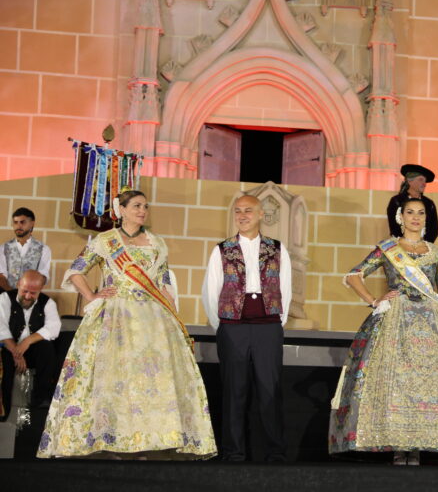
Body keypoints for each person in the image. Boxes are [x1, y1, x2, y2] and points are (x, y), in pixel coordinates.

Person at [38, 190, 216, 459]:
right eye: (135, 206)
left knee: (151, 379)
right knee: (113, 379)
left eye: (145, 206)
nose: (142, 210)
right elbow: (76, 271)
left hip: (152, 319)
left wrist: (175, 319)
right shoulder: (105, 241)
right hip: (114, 318)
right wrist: (92, 296)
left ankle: (150, 440)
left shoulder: (156, 242)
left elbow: (164, 283)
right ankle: (110, 440)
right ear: (120, 210)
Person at [330, 198, 438, 465]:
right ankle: (396, 445)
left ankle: (417, 448)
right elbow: (355, 275)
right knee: (396, 380)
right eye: (410, 212)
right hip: (396, 320)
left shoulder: (436, 253)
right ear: (400, 216)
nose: (415, 217)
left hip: (433, 324)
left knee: (430, 385)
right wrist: (374, 300)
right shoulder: (387, 249)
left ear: (426, 218)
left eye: (421, 213)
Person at [202, 195, 292, 462]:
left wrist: (275, 321)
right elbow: (210, 291)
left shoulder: (277, 248)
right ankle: (233, 452)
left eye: (248, 211)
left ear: (261, 214)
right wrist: (223, 325)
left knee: (270, 389)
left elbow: (285, 288)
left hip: (268, 326)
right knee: (234, 390)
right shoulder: (221, 249)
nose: (242, 215)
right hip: (233, 327)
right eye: (238, 211)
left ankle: (275, 452)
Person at [0, 270, 60, 418]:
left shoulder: (48, 302)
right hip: (8, 348)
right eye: (24, 291)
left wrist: (27, 342)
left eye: (33, 293)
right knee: (5, 363)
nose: (27, 296)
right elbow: (1, 327)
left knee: (47, 348)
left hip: (33, 352)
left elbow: (54, 327)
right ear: (18, 284)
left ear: (40, 290)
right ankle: (3, 411)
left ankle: (40, 400)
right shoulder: (5, 298)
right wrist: (16, 352)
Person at [0, 208, 51, 291]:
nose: (18, 226)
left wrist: (27, 293)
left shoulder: (44, 249)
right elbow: (1, 275)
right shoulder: (3, 248)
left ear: (32, 223)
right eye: (15, 222)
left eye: (22, 222)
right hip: (5, 295)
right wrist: (12, 295)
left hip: (30, 296)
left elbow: (43, 276)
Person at [386, 164, 438, 243]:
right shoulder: (397, 201)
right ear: (410, 181)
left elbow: (434, 229)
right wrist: (405, 244)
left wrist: (423, 245)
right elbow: (394, 227)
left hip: (424, 247)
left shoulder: (429, 204)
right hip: (401, 247)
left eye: (425, 181)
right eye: (421, 180)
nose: (424, 184)